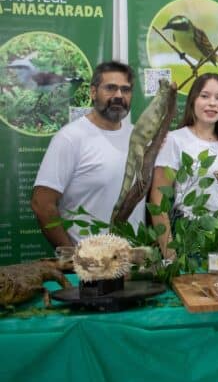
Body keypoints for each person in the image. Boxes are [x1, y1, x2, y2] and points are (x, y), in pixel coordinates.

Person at [31, 61, 144, 247]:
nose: (119, 96)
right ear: (93, 92)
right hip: (89, 267)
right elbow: (41, 204)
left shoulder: (139, 137)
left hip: (133, 263)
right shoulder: (70, 138)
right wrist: (73, 258)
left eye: (125, 90)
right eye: (110, 88)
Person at [149, 73, 218, 259]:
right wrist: (170, 254)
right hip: (185, 237)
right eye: (205, 96)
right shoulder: (175, 140)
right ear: (193, 100)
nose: (212, 103)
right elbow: (158, 201)